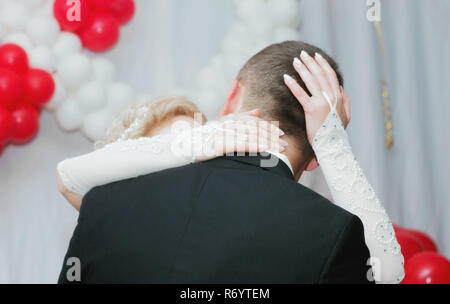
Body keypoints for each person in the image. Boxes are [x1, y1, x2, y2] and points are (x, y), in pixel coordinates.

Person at [58, 41, 404, 284]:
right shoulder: (333, 234)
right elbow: (388, 273)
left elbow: (70, 177)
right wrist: (331, 144)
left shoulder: (107, 201)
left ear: (232, 96)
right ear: (315, 158)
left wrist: (195, 141)